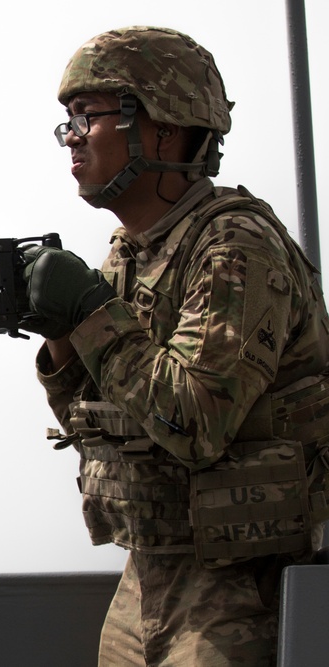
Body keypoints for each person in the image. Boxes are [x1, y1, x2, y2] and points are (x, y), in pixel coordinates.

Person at [20, 26, 329, 666]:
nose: (71, 136)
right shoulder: (131, 258)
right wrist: (60, 336)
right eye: (68, 120)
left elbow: (194, 422)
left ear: (162, 129)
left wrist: (90, 311)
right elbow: (100, 423)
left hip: (240, 590)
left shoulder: (232, 249)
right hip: (149, 581)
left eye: (89, 116)